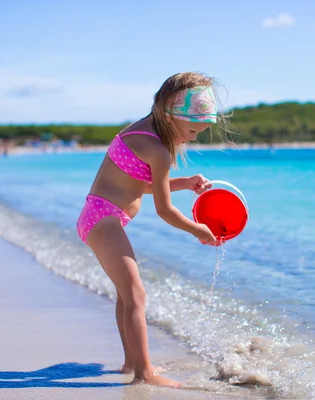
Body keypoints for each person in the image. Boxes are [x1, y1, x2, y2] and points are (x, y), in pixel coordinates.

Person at [76, 72, 224, 388]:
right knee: (136, 295)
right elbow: (164, 210)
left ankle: (131, 361)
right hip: (105, 221)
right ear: (171, 116)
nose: (194, 137)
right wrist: (198, 229)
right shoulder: (159, 151)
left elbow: (136, 183)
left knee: (125, 294)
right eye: (192, 130)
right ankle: (145, 372)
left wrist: (184, 183)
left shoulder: (139, 131)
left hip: (97, 216)